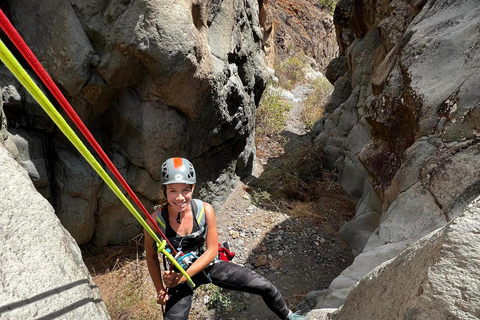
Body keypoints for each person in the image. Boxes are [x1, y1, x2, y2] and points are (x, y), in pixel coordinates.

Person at [144, 157, 305, 320]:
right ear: (164, 191)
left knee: (265, 286)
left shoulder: (205, 210)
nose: (180, 197)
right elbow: (151, 257)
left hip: (205, 264)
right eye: (173, 191)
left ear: (193, 187)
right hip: (180, 275)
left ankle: (289, 316)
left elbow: (212, 250)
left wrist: (184, 276)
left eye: (185, 190)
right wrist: (160, 290)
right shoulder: (154, 222)